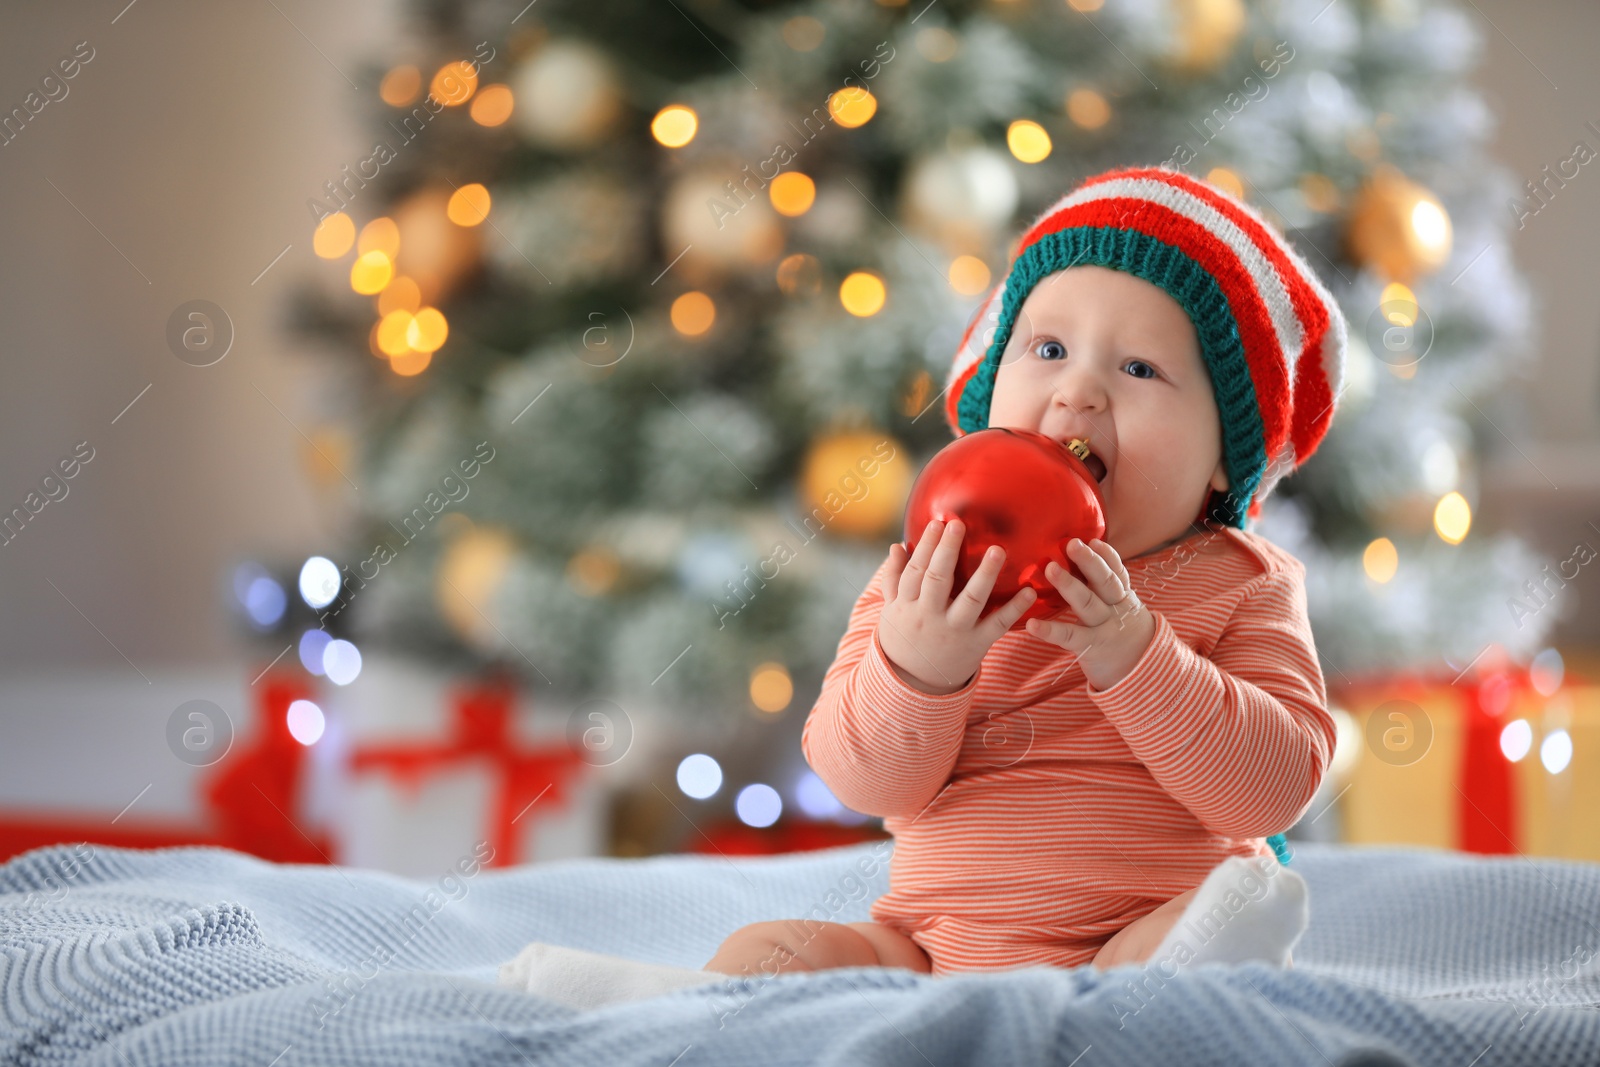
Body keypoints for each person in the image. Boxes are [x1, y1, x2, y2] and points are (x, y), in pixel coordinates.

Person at [500, 164, 1345, 1009]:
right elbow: (860, 779)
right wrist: (919, 666)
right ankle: (669, 1010)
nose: (1078, 391)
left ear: (1227, 456)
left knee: (1211, 928)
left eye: (1139, 368)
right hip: (931, 956)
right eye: (1047, 349)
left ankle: (1182, 987)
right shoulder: (936, 568)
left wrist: (1137, 657)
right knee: (776, 952)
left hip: (1127, 943)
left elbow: (1275, 786)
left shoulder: (1242, 582)